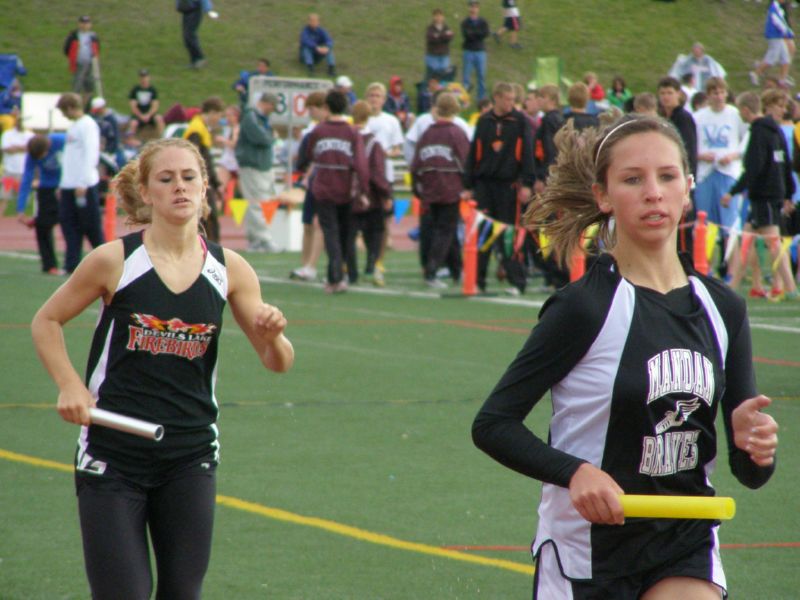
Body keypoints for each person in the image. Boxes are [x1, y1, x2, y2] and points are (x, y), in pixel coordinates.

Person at [473, 114, 778, 598]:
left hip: (685, 538)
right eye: (632, 180)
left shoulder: (724, 309)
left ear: (688, 187)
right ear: (603, 196)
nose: (653, 192)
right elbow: (493, 424)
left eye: (667, 176)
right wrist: (574, 472)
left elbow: (751, 474)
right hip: (588, 550)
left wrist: (754, 446)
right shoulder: (584, 307)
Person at [30, 137, 294, 599]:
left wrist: (273, 336)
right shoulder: (115, 260)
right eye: (166, 179)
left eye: (189, 177)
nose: (179, 187)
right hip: (113, 455)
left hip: (190, 454)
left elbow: (277, 363)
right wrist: (70, 385)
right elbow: (46, 320)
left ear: (206, 188)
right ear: (147, 192)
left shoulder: (230, 269)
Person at [722, 90, 799, 300]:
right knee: (746, 238)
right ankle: (733, 285)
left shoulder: (758, 131)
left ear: (745, 110)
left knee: (773, 241)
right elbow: (786, 164)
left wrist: (733, 191)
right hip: (772, 194)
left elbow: (754, 167)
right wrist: (788, 193)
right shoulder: (777, 131)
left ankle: (791, 288)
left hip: (763, 195)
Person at [464, 82, 535, 295]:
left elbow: (528, 153)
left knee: (509, 235)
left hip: (509, 185)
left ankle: (517, 281)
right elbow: (473, 154)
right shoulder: (484, 121)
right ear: (496, 98)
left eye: (513, 100)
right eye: (507, 99)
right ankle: (478, 280)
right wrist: (468, 185)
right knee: (483, 234)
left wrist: (528, 183)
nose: (511, 104)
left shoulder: (520, 121)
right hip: (485, 186)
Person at [298, 90, 369, 293]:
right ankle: (338, 276)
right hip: (346, 189)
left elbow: (306, 156)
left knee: (331, 233)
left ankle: (335, 277)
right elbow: (361, 165)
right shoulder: (353, 132)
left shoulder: (318, 130)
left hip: (323, 189)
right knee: (344, 234)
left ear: (327, 107)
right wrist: (363, 190)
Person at [411, 92, 470, 288]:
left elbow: (415, 165)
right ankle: (431, 271)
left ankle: (456, 270)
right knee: (445, 231)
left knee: (446, 231)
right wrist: (469, 187)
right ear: (454, 109)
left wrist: (417, 189)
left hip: (429, 189)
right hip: (450, 190)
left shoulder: (427, 132)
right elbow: (466, 163)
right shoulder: (456, 132)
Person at [693, 77, 748, 279]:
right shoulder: (698, 117)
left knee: (730, 225)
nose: (718, 96)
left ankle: (732, 272)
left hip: (728, 173)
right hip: (706, 173)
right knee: (705, 225)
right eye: (714, 92)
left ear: (726, 93)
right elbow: (691, 145)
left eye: (721, 92)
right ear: (708, 95)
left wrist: (733, 155)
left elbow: (746, 140)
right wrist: (701, 155)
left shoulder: (735, 114)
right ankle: (704, 268)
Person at [56, 92, 104, 274]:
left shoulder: (88, 125)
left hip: (84, 186)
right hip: (69, 185)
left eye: (63, 111)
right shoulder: (73, 127)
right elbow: (69, 159)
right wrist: (63, 184)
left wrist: (83, 182)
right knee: (69, 224)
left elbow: (91, 154)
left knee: (91, 226)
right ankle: (71, 265)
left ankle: (106, 262)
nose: (63, 115)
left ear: (70, 108)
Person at [346, 100, 392, 285]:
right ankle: (371, 267)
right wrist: (385, 193)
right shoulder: (373, 142)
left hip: (347, 194)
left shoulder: (346, 137)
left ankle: (350, 271)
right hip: (371, 196)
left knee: (349, 234)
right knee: (374, 232)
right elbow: (377, 172)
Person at [365, 82, 405, 284]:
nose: (374, 99)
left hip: (384, 177)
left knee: (384, 221)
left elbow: (398, 148)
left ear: (383, 99)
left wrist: (386, 154)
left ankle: (379, 261)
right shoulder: (360, 119)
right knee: (362, 222)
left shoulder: (391, 121)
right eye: (371, 95)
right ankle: (362, 261)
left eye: (378, 95)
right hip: (363, 178)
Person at [290, 90, 329, 282]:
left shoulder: (328, 130)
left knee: (320, 223)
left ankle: (312, 265)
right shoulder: (312, 131)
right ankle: (305, 264)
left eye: (313, 109)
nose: (310, 113)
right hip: (314, 182)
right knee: (307, 223)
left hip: (326, 182)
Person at [235, 92, 281, 253]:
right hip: (253, 166)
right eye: (272, 106)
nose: (272, 110)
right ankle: (263, 239)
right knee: (257, 203)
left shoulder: (258, 118)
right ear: (265, 103)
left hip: (260, 166)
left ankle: (255, 240)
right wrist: (272, 136)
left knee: (259, 202)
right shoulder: (251, 117)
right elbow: (261, 138)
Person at [658, 76, 698, 258]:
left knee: (683, 234)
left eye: (670, 93)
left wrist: (688, 189)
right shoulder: (662, 118)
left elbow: (689, 153)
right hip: (666, 182)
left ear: (679, 95)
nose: (666, 97)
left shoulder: (683, 118)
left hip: (682, 182)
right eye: (663, 93)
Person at [16, 133, 65, 275]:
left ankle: (73, 264)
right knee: (43, 226)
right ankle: (49, 265)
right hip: (47, 188)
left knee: (71, 224)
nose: (41, 160)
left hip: (67, 186)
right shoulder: (32, 154)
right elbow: (27, 179)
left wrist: (64, 185)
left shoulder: (60, 141)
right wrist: (20, 209)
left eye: (42, 156)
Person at [183, 96, 225, 242]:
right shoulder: (196, 130)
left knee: (208, 218)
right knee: (208, 218)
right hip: (200, 181)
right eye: (219, 115)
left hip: (203, 180)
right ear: (212, 112)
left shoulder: (200, 127)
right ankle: (211, 250)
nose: (219, 119)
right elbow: (196, 158)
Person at [751, 0, 795, 89]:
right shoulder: (774, 8)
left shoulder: (778, 7)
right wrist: (788, 32)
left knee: (785, 57)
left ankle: (782, 80)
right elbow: (779, 22)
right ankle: (756, 73)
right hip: (774, 36)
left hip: (778, 36)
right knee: (772, 58)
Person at [1, 106, 34, 215]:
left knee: (24, 198)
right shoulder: (8, 134)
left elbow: (31, 149)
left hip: (24, 171)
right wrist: (22, 148)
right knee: (4, 196)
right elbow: (6, 148)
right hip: (9, 171)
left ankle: (20, 218)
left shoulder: (30, 135)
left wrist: (17, 148)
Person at [63, 15, 100, 106]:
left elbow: (97, 47)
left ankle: (84, 106)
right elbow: (66, 48)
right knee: (77, 84)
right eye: (83, 23)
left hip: (90, 63)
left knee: (89, 86)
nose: (84, 25)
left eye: (87, 23)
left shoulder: (93, 36)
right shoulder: (74, 35)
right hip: (78, 63)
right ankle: (74, 105)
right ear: (79, 24)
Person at [461, 0, 490, 101]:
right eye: (471, 7)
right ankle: (464, 98)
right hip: (468, 51)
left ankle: (481, 98)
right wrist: (478, 34)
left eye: (475, 7)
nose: (473, 9)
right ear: (469, 8)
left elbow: (486, 33)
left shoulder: (483, 22)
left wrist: (474, 34)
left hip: (480, 51)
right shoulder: (465, 22)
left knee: (481, 76)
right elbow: (466, 35)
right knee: (466, 76)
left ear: (478, 9)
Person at [128, 69, 165, 138]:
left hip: (150, 114)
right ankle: (131, 139)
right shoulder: (135, 90)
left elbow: (155, 106)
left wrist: (148, 115)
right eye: (142, 77)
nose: (144, 79)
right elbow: (133, 106)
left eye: (145, 77)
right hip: (139, 114)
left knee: (159, 119)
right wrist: (141, 115)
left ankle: (163, 137)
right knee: (133, 123)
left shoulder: (152, 90)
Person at [176, 0, 213, 69]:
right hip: (187, 9)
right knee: (187, 36)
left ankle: (200, 58)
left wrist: (208, 10)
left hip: (195, 9)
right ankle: (194, 60)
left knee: (189, 35)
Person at [425, 8, 454, 77]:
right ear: (433, 17)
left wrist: (438, 36)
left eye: (440, 15)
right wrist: (444, 35)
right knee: (434, 77)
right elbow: (431, 39)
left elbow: (450, 37)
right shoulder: (430, 28)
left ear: (443, 17)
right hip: (433, 56)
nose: (438, 17)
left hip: (444, 56)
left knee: (444, 78)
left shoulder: (446, 27)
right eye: (436, 15)